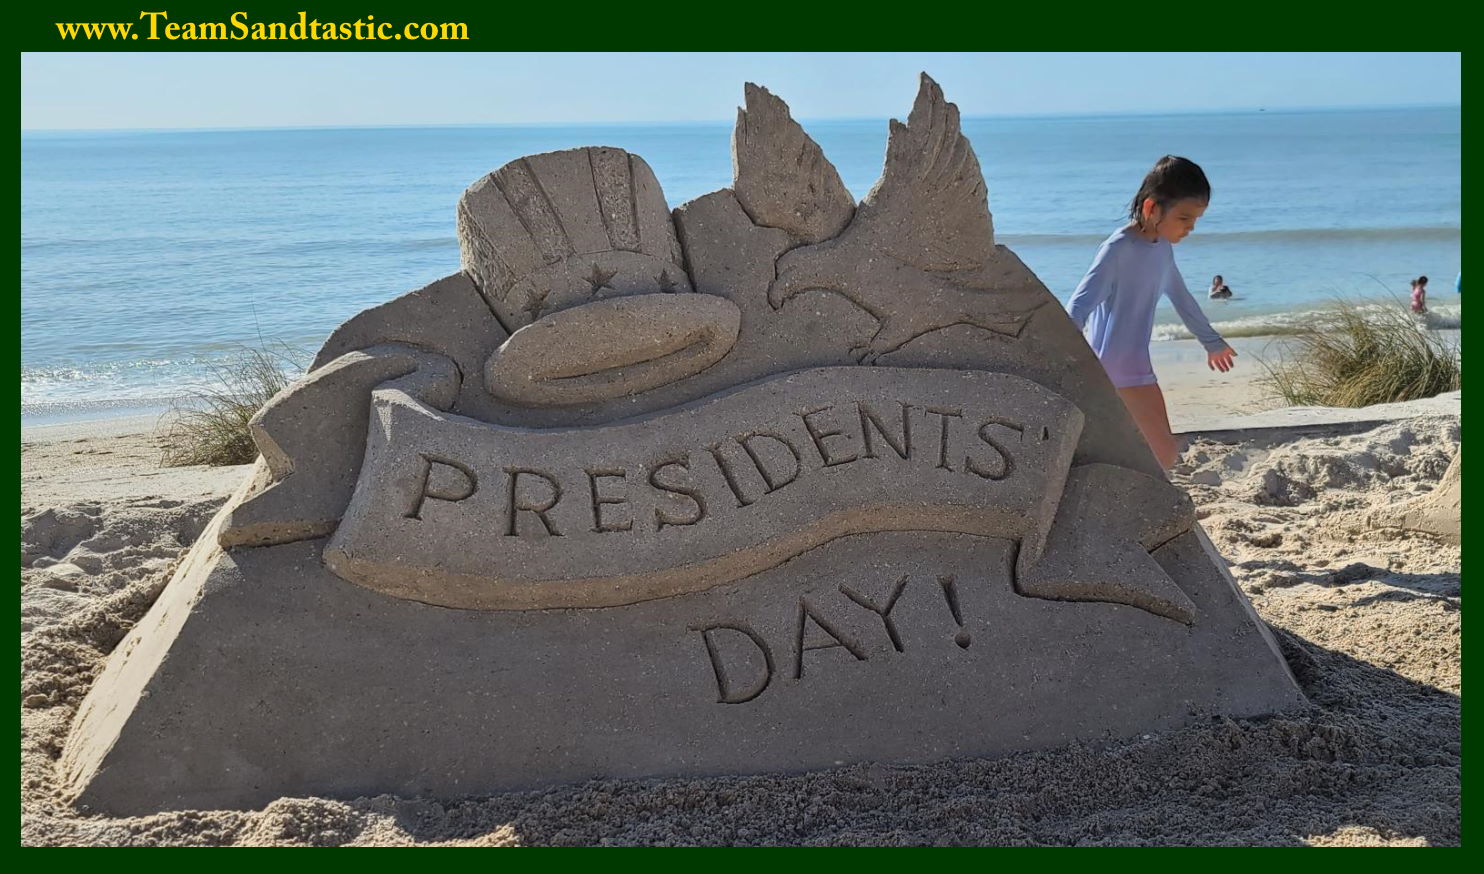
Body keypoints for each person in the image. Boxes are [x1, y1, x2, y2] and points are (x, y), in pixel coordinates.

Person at [1066, 155, 1237, 470]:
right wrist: (1059, 358)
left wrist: (1212, 342)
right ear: (1151, 208)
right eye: (1184, 218)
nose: (1190, 228)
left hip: (1138, 368)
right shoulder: (1117, 249)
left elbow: (1182, 299)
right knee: (1161, 452)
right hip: (1112, 369)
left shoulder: (1162, 248)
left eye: (1195, 220)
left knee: (1162, 450)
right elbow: (1079, 306)